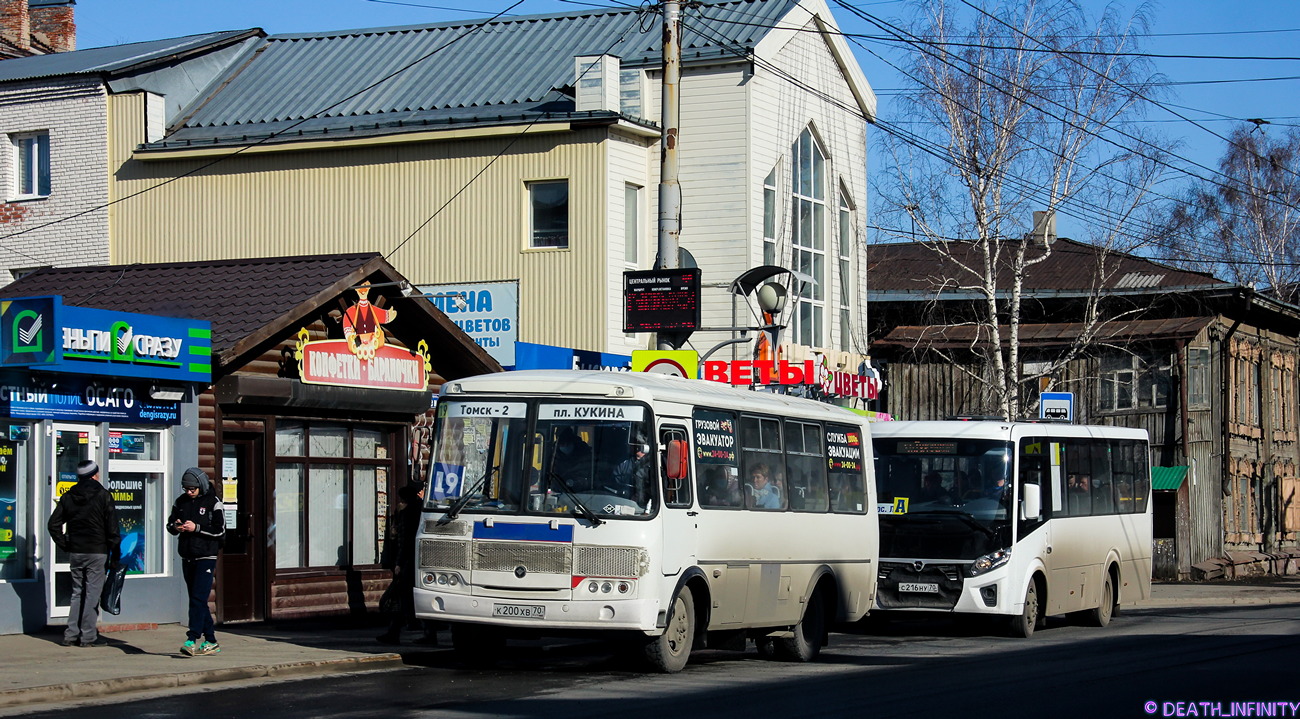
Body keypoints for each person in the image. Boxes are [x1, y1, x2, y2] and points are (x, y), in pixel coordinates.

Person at [47, 460, 119, 648]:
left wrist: (66, 545)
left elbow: (53, 525)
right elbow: (112, 529)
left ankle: (71, 634)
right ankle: (88, 637)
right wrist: (115, 555)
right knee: (92, 595)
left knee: (77, 593)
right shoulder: (103, 495)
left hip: (77, 552)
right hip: (97, 551)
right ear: (94, 475)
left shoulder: (69, 496)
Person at [167, 467, 225, 657]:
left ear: (200, 485)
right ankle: (211, 641)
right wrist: (176, 526)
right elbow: (170, 524)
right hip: (187, 555)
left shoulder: (213, 502)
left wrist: (197, 527)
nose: (189, 492)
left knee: (199, 598)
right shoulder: (181, 502)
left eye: (192, 489)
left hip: (206, 556)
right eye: (186, 489)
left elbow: (220, 531)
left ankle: (191, 638)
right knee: (197, 599)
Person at [377, 484, 439, 646]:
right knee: (424, 597)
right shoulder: (426, 512)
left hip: (409, 562)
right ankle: (426, 632)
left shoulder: (407, 513)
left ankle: (396, 631)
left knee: (401, 597)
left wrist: (398, 563)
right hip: (425, 560)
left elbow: (404, 541)